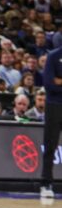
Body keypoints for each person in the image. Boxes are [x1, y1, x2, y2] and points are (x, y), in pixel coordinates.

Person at [41, 43, 62, 199]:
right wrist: (55, 82)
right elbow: (49, 85)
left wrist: (60, 80)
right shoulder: (54, 56)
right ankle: (46, 183)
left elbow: (57, 83)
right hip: (54, 106)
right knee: (50, 145)